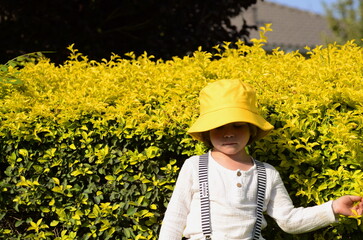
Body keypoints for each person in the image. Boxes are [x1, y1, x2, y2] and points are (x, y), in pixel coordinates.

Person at [158, 79, 363, 240]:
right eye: (219, 126)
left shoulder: (267, 173)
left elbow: (289, 220)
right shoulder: (195, 166)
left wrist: (333, 207)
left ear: (252, 129)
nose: (229, 133)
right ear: (207, 131)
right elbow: (174, 221)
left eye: (238, 125)